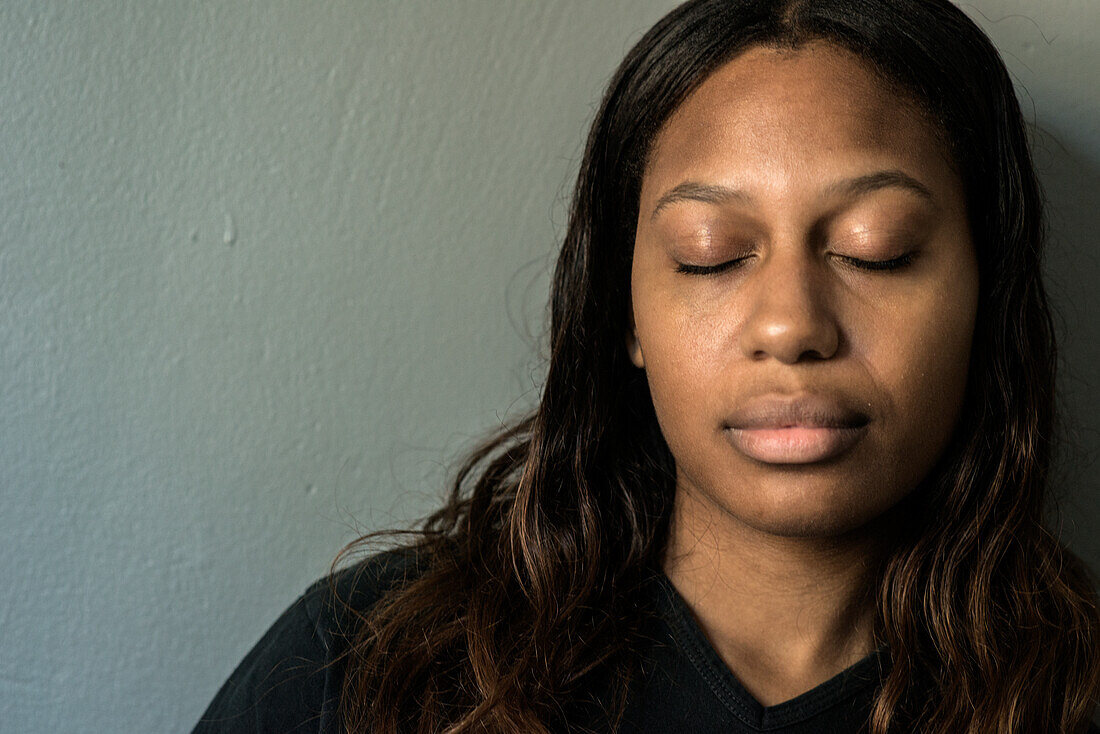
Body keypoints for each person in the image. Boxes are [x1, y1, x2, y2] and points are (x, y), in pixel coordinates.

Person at [192, 0, 1100, 732]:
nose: (790, 326)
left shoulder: (1078, 687)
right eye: (710, 254)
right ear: (624, 311)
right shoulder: (366, 666)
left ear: (989, 296)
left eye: (877, 250)